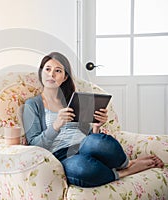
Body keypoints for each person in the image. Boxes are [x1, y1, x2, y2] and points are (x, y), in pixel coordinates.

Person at [22, 52, 164, 187]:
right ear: (41, 72)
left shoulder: (73, 100)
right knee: (82, 169)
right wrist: (56, 125)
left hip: (84, 144)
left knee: (97, 141)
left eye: (58, 70)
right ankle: (125, 171)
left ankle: (126, 164)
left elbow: (89, 135)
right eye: (47, 69)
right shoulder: (33, 105)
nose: (51, 74)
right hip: (63, 156)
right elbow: (35, 145)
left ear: (65, 77)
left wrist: (96, 126)